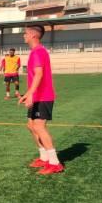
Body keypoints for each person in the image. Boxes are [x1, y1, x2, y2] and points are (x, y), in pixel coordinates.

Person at [18, 26, 63, 175]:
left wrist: (30, 94)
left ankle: (55, 163)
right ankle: (44, 157)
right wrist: (28, 93)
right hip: (37, 95)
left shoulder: (38, 51)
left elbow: (39, 74)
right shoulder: (36, 51)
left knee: (39, 126)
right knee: (31, 125)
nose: (23, 36)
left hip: (43, 96)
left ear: (32, 35)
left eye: (25, 33)